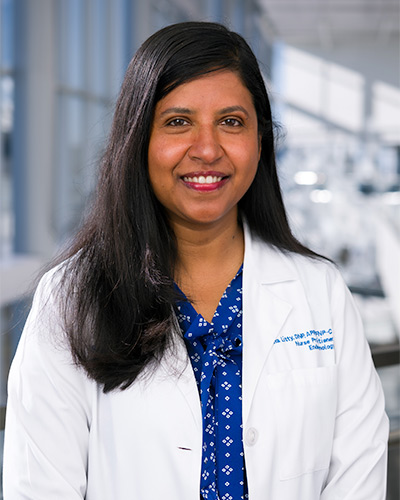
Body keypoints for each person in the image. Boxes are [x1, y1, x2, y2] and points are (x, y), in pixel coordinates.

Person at [3, 21, 388, 500]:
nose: (207, 150)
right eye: (177, 122)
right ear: (138, 140)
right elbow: (39, 487)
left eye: (231, 122)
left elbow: (358, 470)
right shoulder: (70, 299)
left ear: (261, 141)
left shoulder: (321, 291)